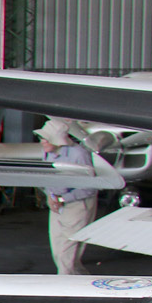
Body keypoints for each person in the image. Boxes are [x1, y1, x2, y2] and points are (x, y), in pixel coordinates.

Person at [37, 118, 97, 275]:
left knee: (65, 255)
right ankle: (84, 284)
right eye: (42, 138)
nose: (42, 141)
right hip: (56, 203)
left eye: (46, 138)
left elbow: (90, 188)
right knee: (58, 252)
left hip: (77, 204)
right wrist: (50, 195)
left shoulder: (79, 154)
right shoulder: (47, 152)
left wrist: (62, 199)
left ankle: (63, 292)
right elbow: (47, 177)